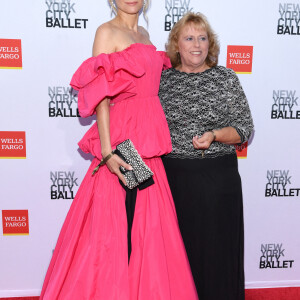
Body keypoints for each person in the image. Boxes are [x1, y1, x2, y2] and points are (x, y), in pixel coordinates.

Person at [40, 1, 198, 300]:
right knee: (113, 225)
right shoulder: (106, 32)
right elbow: (100, 95)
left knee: (148, 226)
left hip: (148, 141)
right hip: (123, 140)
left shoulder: (146, 37)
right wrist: (108, 150)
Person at [159, 12, 254, 300]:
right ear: (176, 44)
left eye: (202, 38)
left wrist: (214, 135)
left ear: (210, 43)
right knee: (179, 256)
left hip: (218, 180)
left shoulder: (225, 78)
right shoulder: (161, 81)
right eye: (189, 38)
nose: (197, 45)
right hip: (175, 181)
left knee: (218, 254)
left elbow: (244, 129)